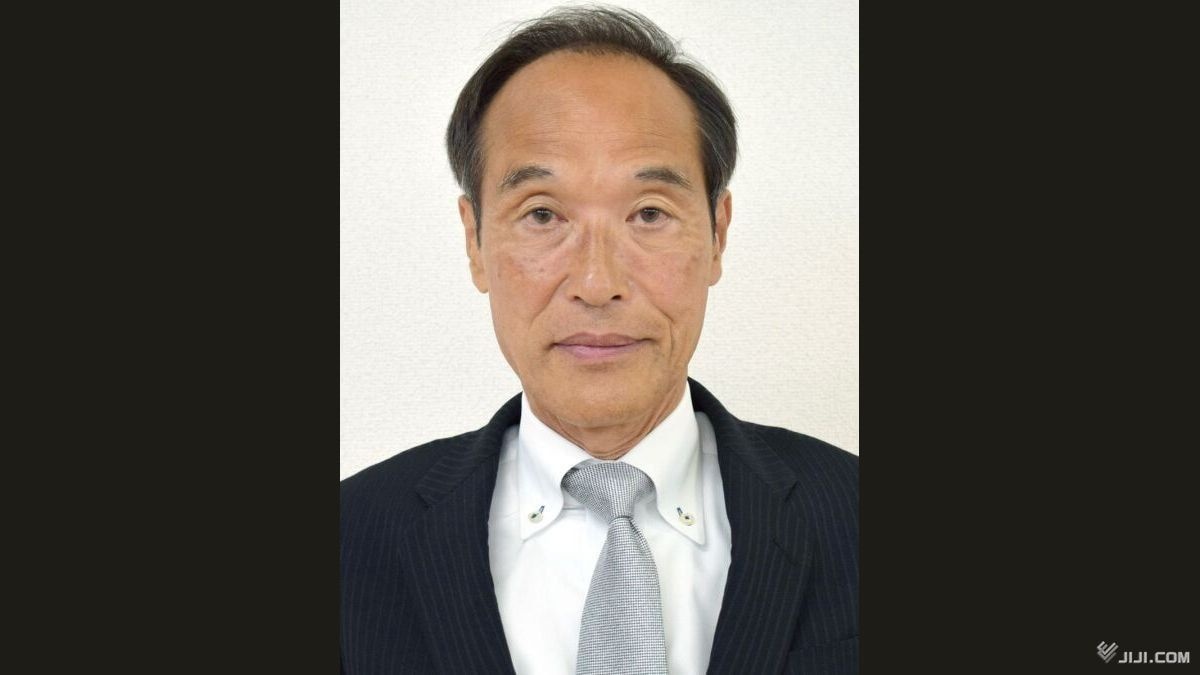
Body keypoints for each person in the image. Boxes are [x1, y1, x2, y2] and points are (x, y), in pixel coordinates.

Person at [340, 5, 858, 674]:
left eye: (649, 213)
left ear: (717, 234)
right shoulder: (351, 541)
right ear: (475, 241)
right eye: (542, 214)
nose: (596, 283)